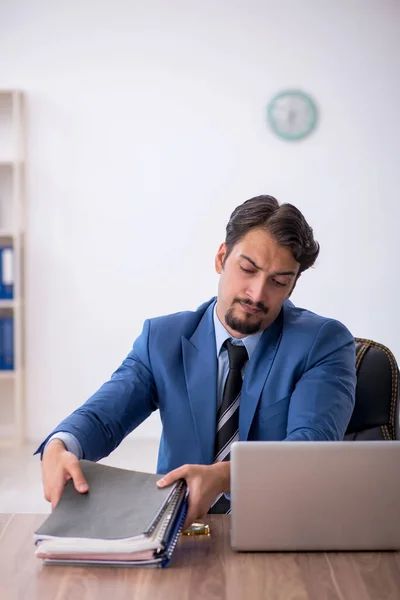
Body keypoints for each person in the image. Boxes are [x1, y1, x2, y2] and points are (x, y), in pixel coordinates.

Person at [37, 195, 356, 528]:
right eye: (247, 269)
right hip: (181, 536)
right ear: (221, 258)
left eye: (278, 282)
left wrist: (226, 476)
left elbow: (311, 449)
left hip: (281, 532)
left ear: (292, 286)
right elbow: (104, 416)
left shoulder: (322, 344)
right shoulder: (161, 339)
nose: (257, 294)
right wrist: (61, 445)